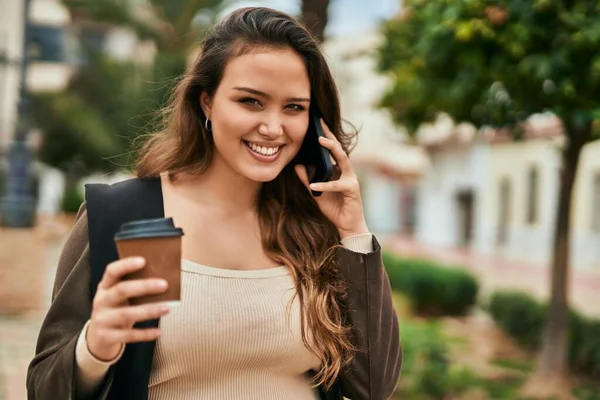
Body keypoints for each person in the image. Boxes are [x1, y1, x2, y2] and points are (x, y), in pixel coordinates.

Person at [26, 7, 401, 400]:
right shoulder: (139, 216)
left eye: (294, 107)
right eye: (251, 101)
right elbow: (44, 388)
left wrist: (354, 234)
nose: (273, 128)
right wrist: (94, 349)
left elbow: (373, 385)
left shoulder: (312, 226)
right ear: (207, 101)